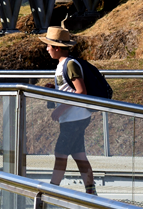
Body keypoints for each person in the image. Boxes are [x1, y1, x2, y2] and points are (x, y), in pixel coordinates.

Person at [38, 26, 96, 196]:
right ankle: (90, 191)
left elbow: (80, 91)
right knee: (79, 154)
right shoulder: (63, 64)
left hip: (74, 118)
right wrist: (53, 88)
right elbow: (68, 88)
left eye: (48, 45)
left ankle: (52, 190)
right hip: (75, 117)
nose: (47, 48)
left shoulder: (70, 64)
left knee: (60, 152)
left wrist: (60, 109)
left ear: (57, 47)